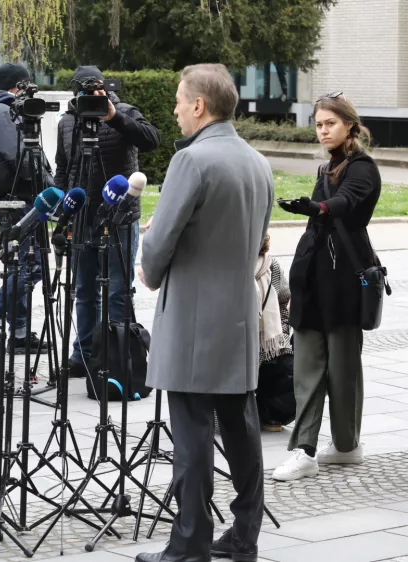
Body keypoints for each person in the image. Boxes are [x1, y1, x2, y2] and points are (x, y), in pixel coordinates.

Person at [136, 63, 273, 562]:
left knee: (193, 438)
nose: (174, 109)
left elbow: (158, 246)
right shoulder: (258, 162)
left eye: (178, 100)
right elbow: (259, 241)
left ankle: (188, 545)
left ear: (199, 105)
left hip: (193, 321)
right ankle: (244, 537)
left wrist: (148, 264)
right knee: (242, 433)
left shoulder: (191, 162)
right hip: (238, 319)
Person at [271, 93, 381, 482]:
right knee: (307, 367)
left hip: (344, 283)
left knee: (344, 368)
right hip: (315, 279)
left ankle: (347, 446)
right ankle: (304, 450)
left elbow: (347, 203)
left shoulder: (363, 168)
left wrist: (317, 208)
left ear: (349, 124)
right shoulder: (327, 167)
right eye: (318, 124)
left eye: (329, 123)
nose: (322, 130)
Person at [55, 65, 160, 378]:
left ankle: (117, 355)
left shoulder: (124, 112)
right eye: (85, 91)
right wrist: (64, 209)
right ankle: (83, 354)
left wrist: (113, 117)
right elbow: (64, 169)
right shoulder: (68, 121)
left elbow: (151, 139)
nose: (92, 96)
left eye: (96, 89)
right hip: (83, 216)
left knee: (117, 290)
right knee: (84, 290)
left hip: (120, 217)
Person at [0, 62, 53, 353]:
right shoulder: (4, 111)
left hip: (12, 197)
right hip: (16, 198)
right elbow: (19, 157)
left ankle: (20, 334)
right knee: (31, 266)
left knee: (22, 263)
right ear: (17, 86)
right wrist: (49, 184)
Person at [254, 235, 296, 433]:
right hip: (259, 340)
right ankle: (268, 416)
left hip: (263, 341)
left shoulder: (270, 266)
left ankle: (269, 413)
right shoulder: (270, 265)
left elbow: (285, 301)